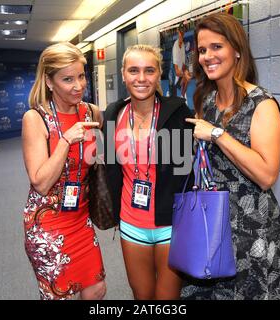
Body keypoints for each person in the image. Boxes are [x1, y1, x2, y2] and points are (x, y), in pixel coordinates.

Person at [184, 12, 280, 300]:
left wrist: (218, 135)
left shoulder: (262, 104)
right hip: (211, 226)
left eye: (216, 47)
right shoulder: (205, 101)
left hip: (250, 231)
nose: (207, 56)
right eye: (202, 50)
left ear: (237, 50)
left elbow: (267, 175)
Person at [103, 44, 194, 300]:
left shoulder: (178, 112)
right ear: (123, 74)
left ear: (158, 75)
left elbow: (188, 168)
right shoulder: (113, 114)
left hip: (171, 224)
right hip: (132, 222)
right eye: (133, 70)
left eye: (149, 70)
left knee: (167, 298)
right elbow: (112, 169)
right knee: (142, 296)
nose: (141, 78)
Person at [22, 42, 106, 300]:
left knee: (96, 289)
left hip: (81, 220)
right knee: (58, 295)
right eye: (67, 79)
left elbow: (100, 161)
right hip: (47, 224)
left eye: (81, 76)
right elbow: (40, 182)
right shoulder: (35, 118)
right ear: (49, 81)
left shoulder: (92, 112)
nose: (78, 85)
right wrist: (66, 141)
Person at [169, 22, 192, 98]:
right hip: (173, 79)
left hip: (178, 77)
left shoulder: (182, 45)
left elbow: (183, 65)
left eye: (183, 32)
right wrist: (185, 74)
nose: (182, 34)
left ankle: (183, 97)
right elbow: (177, 72)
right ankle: (176, 96)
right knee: (173, 102)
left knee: (187, 78)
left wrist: (187, 72)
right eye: (180, 32)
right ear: (178, 31)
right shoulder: (176, 46)